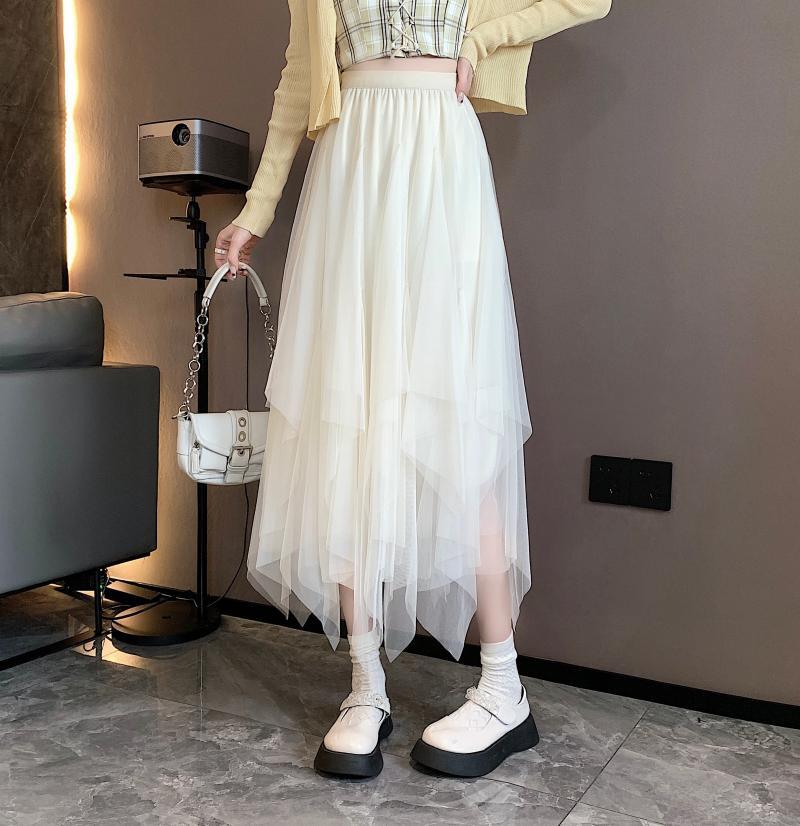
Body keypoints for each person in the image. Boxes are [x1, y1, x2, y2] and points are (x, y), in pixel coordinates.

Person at [214, 0, 612, 780]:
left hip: (439, 158)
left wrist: (480, 37)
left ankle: (503, 688)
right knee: (347, 422)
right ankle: (365, 685)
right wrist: (257, 210)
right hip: (350, 169)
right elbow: (301, 75)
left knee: (459, 417)